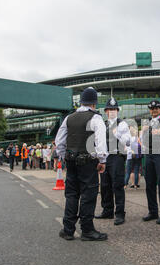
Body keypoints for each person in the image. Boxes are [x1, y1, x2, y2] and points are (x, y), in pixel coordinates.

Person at [56, 87, 108, 241]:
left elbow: (59, 141)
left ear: (82, 101)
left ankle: (68, 229)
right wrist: (102, 160)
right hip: (87, 163)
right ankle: (87, 230)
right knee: (88, 194)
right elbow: (100, 142)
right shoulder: (96, 118)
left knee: (71, 194)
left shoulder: (69, 118)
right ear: (94, 103)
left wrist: (62, 157)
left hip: (71, 160)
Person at [96, 97, 131, 226]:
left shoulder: (122, 124)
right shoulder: (103, 124)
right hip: (105, 157)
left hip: (117, 156)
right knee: (105, 185)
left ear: (117, 111)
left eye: (114, 109)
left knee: (117, 185)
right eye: (110, 109)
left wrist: (117, 134)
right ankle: (107, 210)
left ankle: (120, 213)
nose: (112, 111)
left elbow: (127, 141)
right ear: (106, 111)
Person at [140, 100, 160, 224]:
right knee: (150, 184)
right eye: (152, 109)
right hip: (149, 154)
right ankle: (153, 211)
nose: (154, 110)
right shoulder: (147, 121)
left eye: (156, 108)